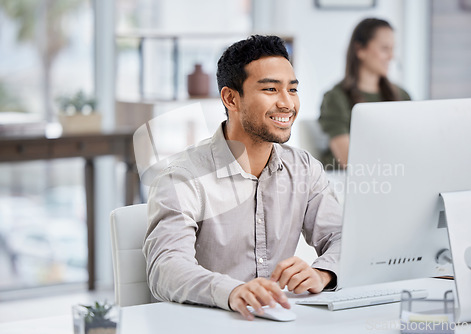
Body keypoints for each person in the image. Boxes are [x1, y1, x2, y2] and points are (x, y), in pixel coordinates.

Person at [143, 35, 342, 321]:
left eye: (292, 89)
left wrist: (323, 272)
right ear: (230, 98)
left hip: (277, 322)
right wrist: (231, 291)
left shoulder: (304, 168)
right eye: (271, 89)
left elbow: (342, 236)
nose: (287, 103)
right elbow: (166, 268)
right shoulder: (182, 177)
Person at [318, 18, 411, 169]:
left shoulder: (402, 95)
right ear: (360, 50)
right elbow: (348, 159)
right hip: (348, 183)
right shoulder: (335, 98)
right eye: (384, 49)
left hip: (394, 177)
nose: (391, 56)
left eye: (393, 49)